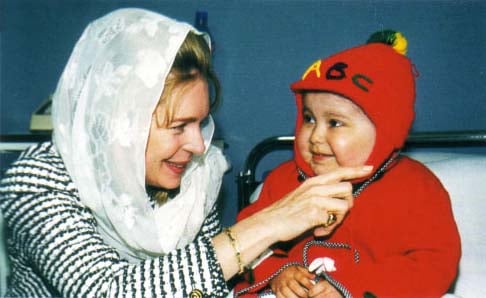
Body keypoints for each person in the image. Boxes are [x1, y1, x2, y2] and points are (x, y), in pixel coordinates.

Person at [0, 8, 373, 297]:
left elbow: (202, 289)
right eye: (178, 127)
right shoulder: (37, 182)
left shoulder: (195, 179)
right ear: (121, 125)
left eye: (200, 123)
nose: (198, 146)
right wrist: (267, 223)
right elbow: (107, 291)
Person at [234, 30, 461, 298]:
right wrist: (278, 273)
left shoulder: (417, 188)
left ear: (384, 131)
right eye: (308, 119)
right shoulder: (283, 181)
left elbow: (433, 264)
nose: (316, 136)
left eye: (335, 123)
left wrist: (353, 285)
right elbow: (245, 244)